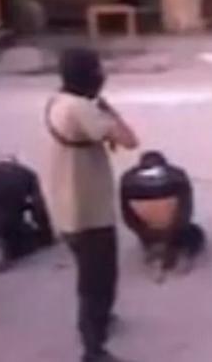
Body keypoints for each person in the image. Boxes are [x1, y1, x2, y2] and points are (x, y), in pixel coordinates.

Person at [44, 48, 138, 362]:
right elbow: (129, 139)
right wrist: (108, 109)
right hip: (89, 210)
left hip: (67, 206)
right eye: (97, 70)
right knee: (97, 280)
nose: (102, 76)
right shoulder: (82, 109)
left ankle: (98, 321)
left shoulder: (58, 102)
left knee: (91, 274)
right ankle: (92, 348)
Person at [120, 151, 206, 283]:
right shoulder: (178, 177)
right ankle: (179, 252)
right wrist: (173, 232)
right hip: (174, 227)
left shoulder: (127, 180)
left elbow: (127, 214)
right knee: (195, 233)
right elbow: (186, 210)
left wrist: (144, 232)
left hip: (147, 228)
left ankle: (156, 250)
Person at [0, 158, 53, 271]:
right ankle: (0, 244)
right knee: (28, 240)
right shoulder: (28, 174)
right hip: (11, 219)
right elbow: (39, 207)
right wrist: (47, 236)